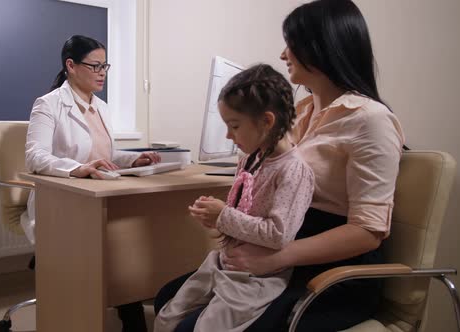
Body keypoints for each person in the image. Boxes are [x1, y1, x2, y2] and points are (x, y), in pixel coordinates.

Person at [153, 1, 406, 331]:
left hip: (330, 270)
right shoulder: (298, 112)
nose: (284, 54)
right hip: (277, 248)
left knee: (190, 326)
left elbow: (368, 232)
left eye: (292, 44)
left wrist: (278, 257)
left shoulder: (369, 121)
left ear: (320, 47)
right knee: (166, 298)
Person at [154, 64, 314, 332]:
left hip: (258, 277)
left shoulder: (294, 171)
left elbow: (278, 234)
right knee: (167, 316)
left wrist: (224, 216)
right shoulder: (250, 159)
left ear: (267, 121)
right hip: (224, 263)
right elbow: (241, 213)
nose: (229, 135)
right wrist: (216, 218)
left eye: (235, 126)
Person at [24, 35, 158, 332]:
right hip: (61, 202)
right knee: (120, 242)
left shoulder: (102, 107)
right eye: (95, 65)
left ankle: (130, 305)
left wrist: (132, 160)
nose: (102, 73)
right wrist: (79, 168)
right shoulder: (48, 105)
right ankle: (130, 313)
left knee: (133, 234)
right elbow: (35, 157)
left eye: (105, 66)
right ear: (71, 65)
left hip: (101, 195)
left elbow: (104, 156)